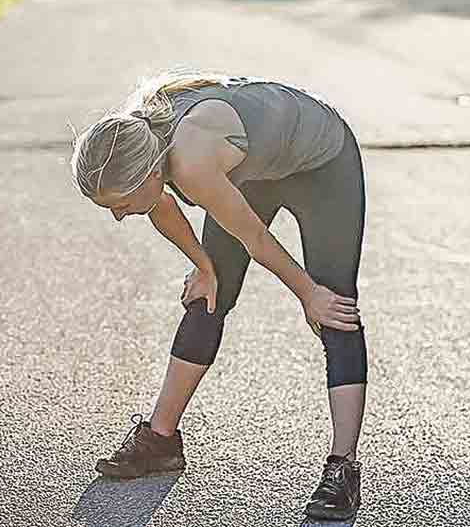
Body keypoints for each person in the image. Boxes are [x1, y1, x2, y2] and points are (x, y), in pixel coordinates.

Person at [69, 68, 368, 521]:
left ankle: (342, 467)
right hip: (251, 168)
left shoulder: (191, 161)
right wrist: (205, 266)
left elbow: (257, 240)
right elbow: (161, 205)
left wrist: (309, 294)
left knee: (332, 305)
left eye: (120, 205)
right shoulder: (134, 139)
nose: (117, 216)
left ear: (149, 173)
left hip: (321, 163)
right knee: (207, 294)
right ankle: (160, 439)